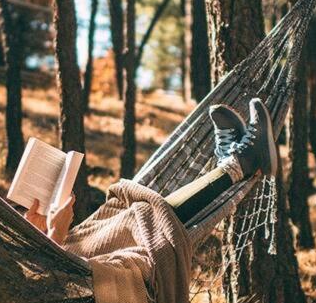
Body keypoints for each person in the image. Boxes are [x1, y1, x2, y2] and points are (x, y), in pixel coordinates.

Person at [25, 97, 277, 244]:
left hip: (76, 249)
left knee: (127, 212)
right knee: (146, 221)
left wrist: (41, 236)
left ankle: (234, 164)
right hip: (97, 279)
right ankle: (239, 164)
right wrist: (56, 234)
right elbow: (47, 291)